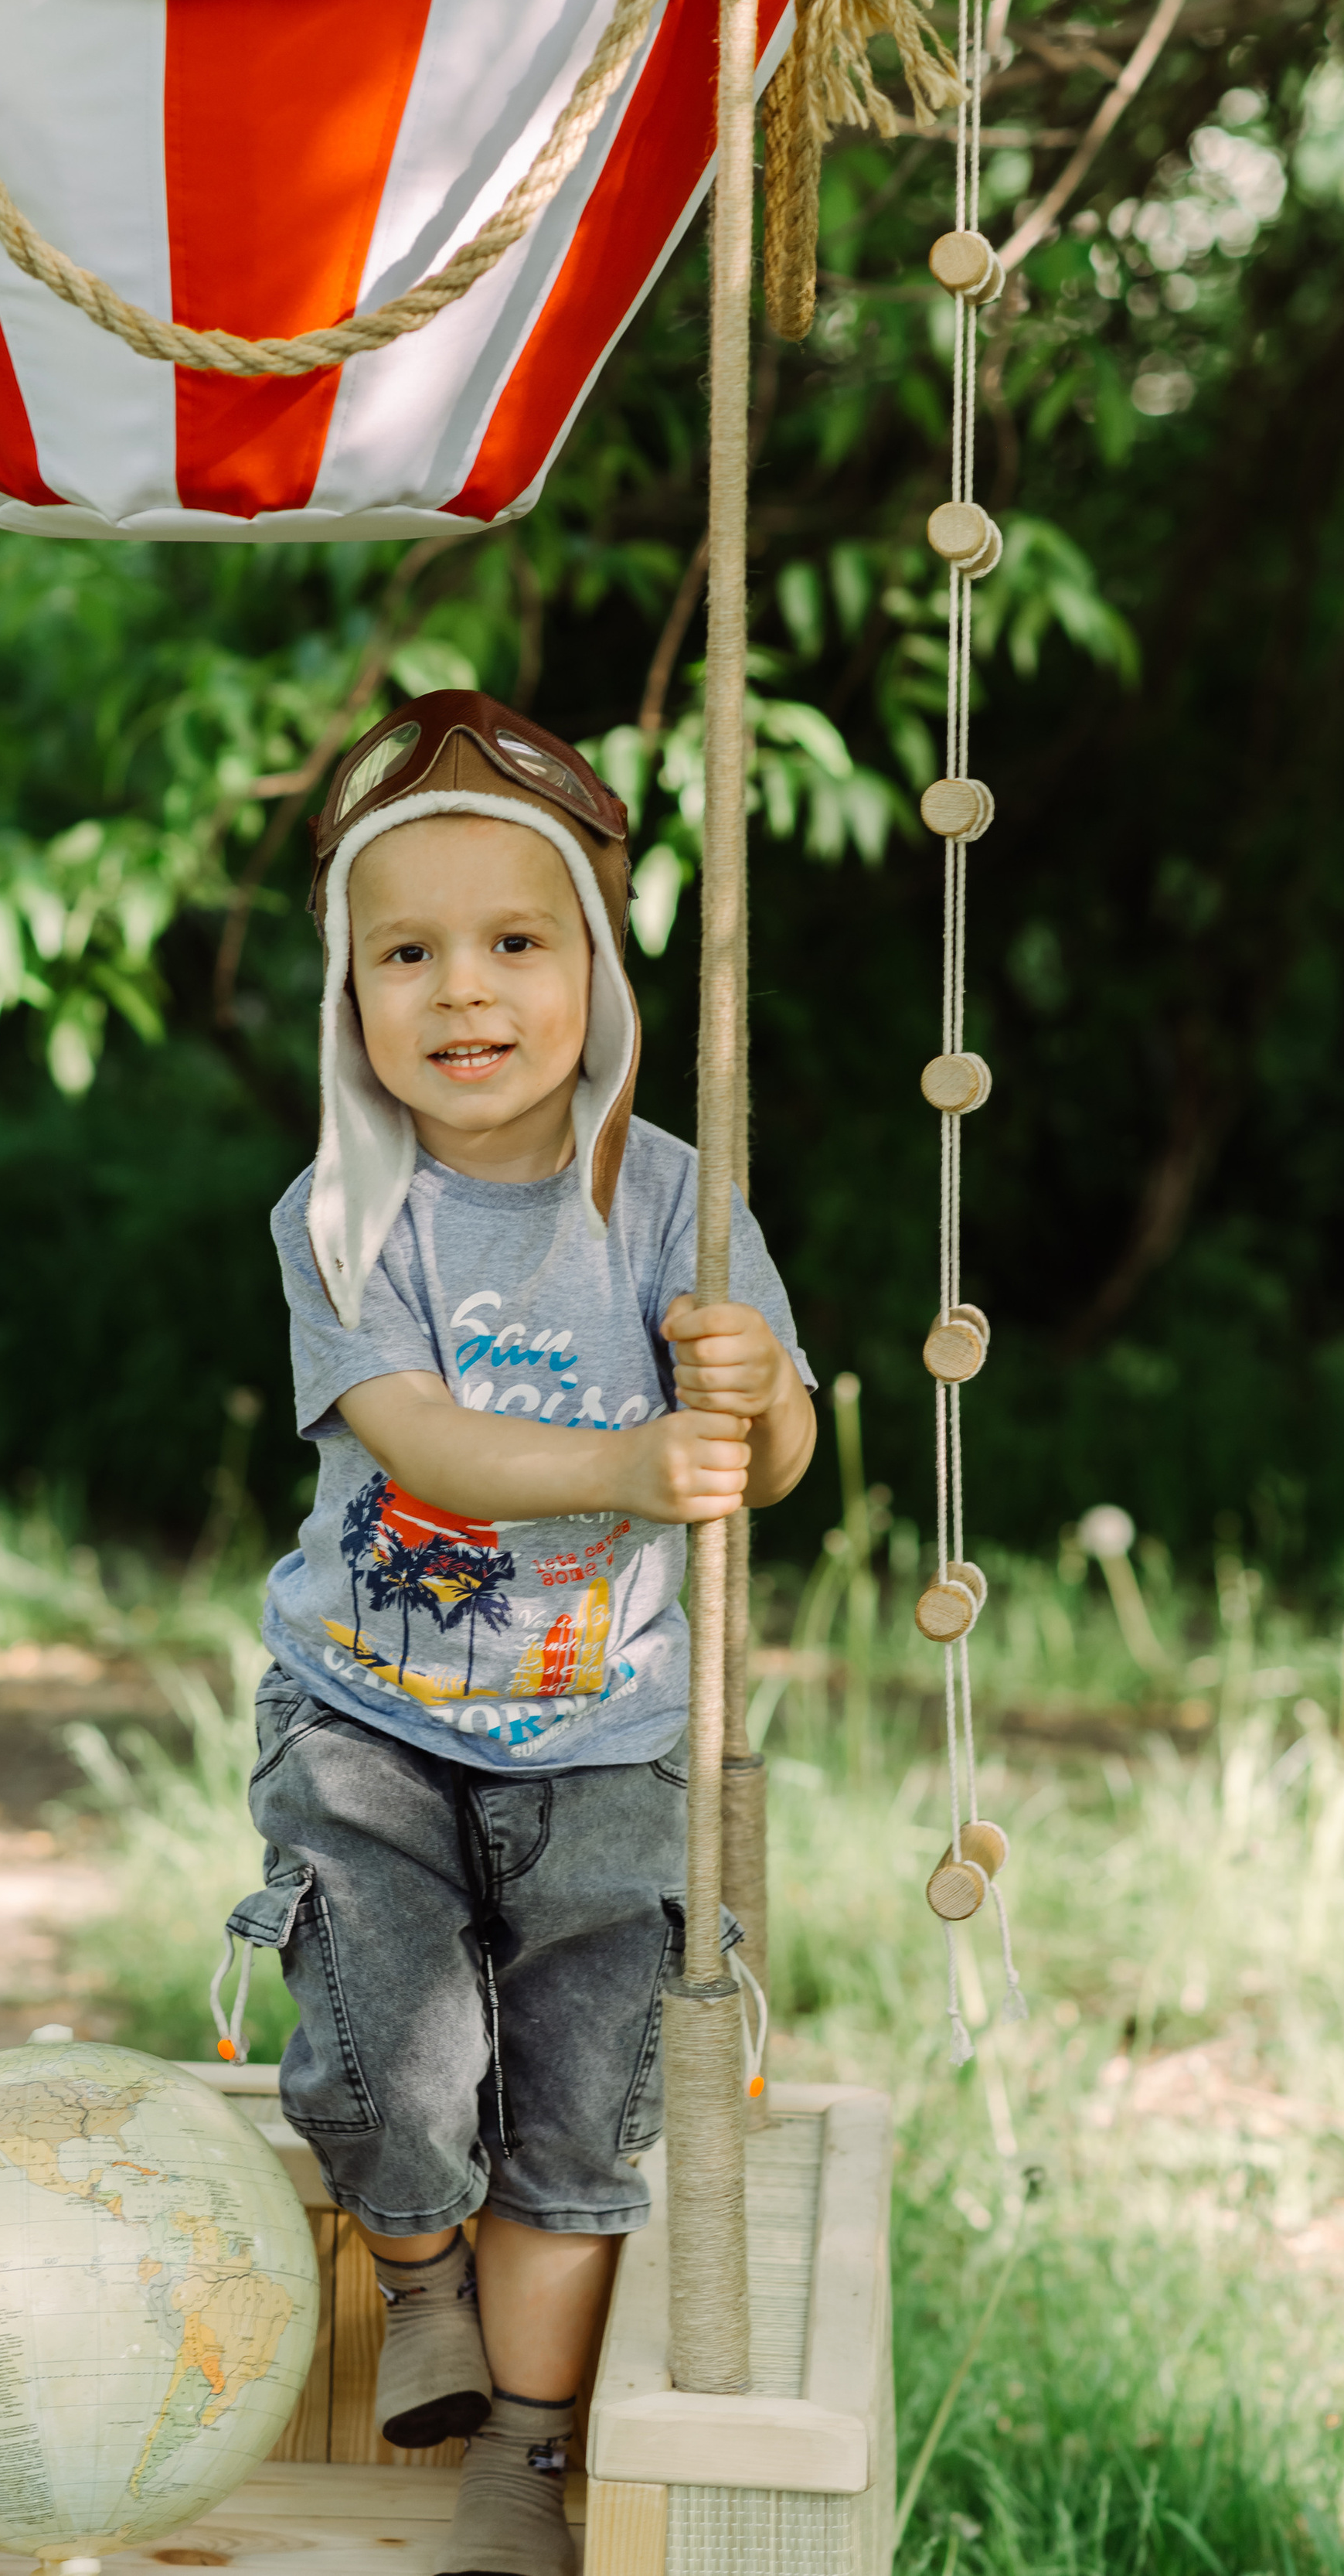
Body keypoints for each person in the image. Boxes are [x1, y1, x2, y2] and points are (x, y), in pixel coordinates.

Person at [219, 690, 815, 2576]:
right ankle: (415, 2286)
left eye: (511, 944)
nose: (462, 994)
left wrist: (762, 1397)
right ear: (351, 997)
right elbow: (420, 1442)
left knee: (575, 2107)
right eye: (408, 953)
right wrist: (639, 1460)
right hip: (366, 1725)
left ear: (591, 972)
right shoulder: (344, 1214)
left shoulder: (668, 1207)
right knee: (373, 2052)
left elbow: (771, 1447)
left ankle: (522, 2462)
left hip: (605, 1738)